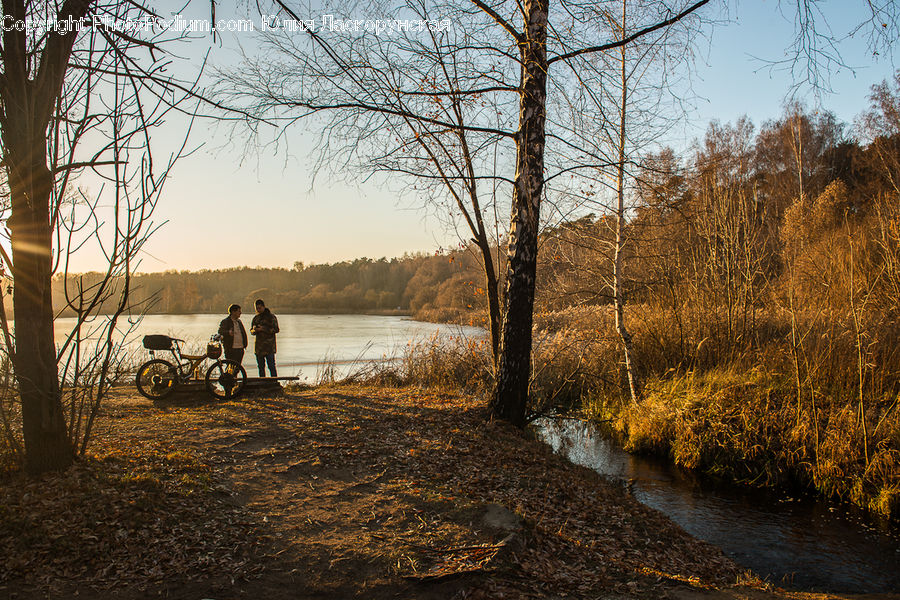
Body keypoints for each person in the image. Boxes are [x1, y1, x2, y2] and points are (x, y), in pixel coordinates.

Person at [250, 298, 279, 377]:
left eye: (259, 308)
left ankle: (274, 383)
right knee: (261, 367)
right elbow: (251, 331)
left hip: (269, 347)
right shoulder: (256, 318)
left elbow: (276, 329)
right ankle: (262, 383)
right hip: (259, 348)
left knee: (271, 366)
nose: (258, 310)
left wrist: (263, 329)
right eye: (257, 308)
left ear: (263, 307)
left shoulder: (271, 317)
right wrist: (254, 330)